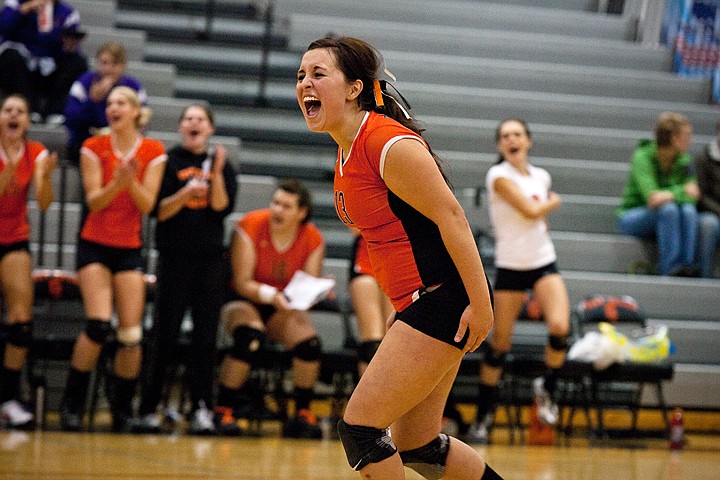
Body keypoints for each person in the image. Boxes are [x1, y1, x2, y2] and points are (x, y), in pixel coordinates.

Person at [297, 36, 502, 479]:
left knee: (361, 430)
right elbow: (395, 238)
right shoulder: (346, 147)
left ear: (354, 87)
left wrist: (482, 306)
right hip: (422, 303)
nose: (305, 84)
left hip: (446, 301)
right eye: (300, 76)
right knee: (419, 447)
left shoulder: (386, 142)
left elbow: (454, 220)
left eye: (318, 74)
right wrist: (403, 310)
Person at [59, 86, 166, 432]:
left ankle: (122, 411)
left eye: (121, 103)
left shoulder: (153, 150)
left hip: (129, 246)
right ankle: (72, 404)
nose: (113, 108)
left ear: (136, 111)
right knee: (98, 325)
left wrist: (128, 181)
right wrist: (119, 182)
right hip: (94, 243)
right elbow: (95, 201)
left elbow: (148, 205)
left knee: (131, 334)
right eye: (109, 104)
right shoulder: (94, 147)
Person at [465, 119, 571, 444]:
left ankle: (547, 387)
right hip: (510, 266)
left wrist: (544, 208)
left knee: (560, 327)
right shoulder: (498, 176)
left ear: (528, 141)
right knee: (500, 345)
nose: (512, 140)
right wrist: (553, 202)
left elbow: (539, 222)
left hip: (542, 260)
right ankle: (483, 416)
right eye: (506, 136)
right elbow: (529, 211)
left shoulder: (541, 176)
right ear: (500, 146)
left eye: (518, 135)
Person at [134, 104, 238, 435]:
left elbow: (221, 207)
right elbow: (158, 212)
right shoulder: (168, 162)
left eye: (201, 119)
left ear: (210, 128)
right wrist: (184, 194)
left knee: (205, 339)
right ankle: (149, 408)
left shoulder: (221, 165)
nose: (194, 123)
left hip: (209, 263)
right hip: (174, 258)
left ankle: (202, 408)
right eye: (189, 119)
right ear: (181, 127)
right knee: (164, 334)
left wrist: (217, 173)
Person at [214, 178, 326, 439]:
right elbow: (241, 282)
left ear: (301, 213)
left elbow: (308, 283)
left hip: (282, 305)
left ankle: (301, 413)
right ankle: (224, 409)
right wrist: (271, 294)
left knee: (309, 345)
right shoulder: (250, 225)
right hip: (244, 300)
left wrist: (313, 292)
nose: (278, 210)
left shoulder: (312, 238)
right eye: (276, 203)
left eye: (287, 206)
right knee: (249, 337)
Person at [0, 93, 56, 428]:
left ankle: (8, 398)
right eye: (8, 110)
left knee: (22, 319)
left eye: (21, 111)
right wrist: (8, 162)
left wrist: (45, 178)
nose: (14, 115)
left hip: (14, 237)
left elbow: (45, 202)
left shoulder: (35, 153)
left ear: (28, 121)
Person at [617, 112, 700, 277]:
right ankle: (670, 268)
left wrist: (670, 195)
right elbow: (653, 199)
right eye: (687, 136)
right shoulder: (643, 157)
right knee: (668, 209)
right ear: (674, 138)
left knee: (688, 211)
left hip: (670, 215)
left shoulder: (684, 160)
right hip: (634, 215)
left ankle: (687, 267)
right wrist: (681, 191)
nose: (691, 140)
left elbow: (694, 195)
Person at [0, 0, 88, 122]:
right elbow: (3, 27)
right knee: (9, 56)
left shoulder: (68, 13)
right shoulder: (15, 3)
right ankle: (27, 108)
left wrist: (69, 47)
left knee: (77, 62)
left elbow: (73, 43)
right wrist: (24, 9)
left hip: (50, 67)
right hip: (22, 64)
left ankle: (55, 111)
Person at [64, 41, 147, 167]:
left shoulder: (133, 87)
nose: (108, 69)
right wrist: (92, 101)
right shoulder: (84, 83)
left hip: (124, 141)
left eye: (114, 63)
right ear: (97, 63)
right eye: (104, 63)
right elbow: (70, 119)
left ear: (123, 65)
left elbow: (142, 119)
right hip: (86, 139)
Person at [347, 230, 392, 378]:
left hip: (400, 257)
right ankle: (369, 399)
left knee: (394, 343)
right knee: (373, 345)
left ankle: (392, 399)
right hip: (367, 254)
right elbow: (353, 225)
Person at [693, 121, 720, 278]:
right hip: (709, 212)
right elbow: (700, 194)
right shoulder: (703, 158)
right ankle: (704, 276)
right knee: (708, 224)